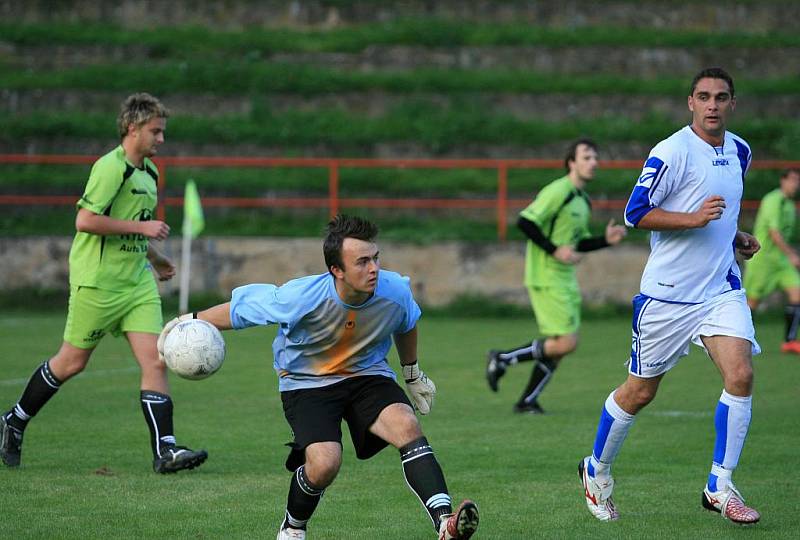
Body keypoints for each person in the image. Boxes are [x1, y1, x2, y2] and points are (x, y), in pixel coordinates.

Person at [158, 214, 479, 540]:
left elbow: (407, 321)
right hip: (306, 382)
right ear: (336, 270)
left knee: (407, 425)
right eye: (362, 262)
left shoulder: (393, 291)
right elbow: (240, 311)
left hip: (367, 374)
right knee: (325, 463)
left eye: (376, 258)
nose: (374, 269)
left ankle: (445, 523)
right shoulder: (301, 297)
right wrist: (186, 321)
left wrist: (412, 374)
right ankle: (293, 527)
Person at [578, 67, 762, 525]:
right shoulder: (671, 151)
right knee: (640, 392)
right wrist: (695, 220)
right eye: (704, 97)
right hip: (667, 297)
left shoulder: (740, 151)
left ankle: (720, 485)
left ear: (732, 103)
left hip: (720, 289)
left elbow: (718, 210)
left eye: (721, 97)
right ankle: (596, 470)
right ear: (691, 103)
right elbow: (635, 212)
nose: (713, 105)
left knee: (740, 374)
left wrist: (734, 236)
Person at [0, 93, 207, 473]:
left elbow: (131, 226)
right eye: (155, 131)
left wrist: (154, 257)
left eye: (163, 132)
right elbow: (86, 220)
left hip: (136, 284)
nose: (161, 139)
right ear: (133, 128)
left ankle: (166, 451)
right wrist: (142, 227)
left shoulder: (150, 173)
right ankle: (13, 420)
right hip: (98, 283)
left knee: (156, 360)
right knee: (71, 363)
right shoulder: (111, 168)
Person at [485, 139, 627, 413]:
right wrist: (553, 250)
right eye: (586, 157)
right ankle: (502, 358)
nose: (593, 162)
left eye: (595, 158)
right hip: (546, 275)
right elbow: (525, 221)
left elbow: (577, 244)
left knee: (558, 347)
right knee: (566, 342)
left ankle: (527, 401)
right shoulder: (559, 190)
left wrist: (605, 241)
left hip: (564, 277)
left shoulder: (583, 201)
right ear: (571, 163)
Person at [744, 168, 800, 353]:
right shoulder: (772, 200)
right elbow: (774, 233)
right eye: (792, 180)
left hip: (781, 260)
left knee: (796, 292)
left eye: (797, 181)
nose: (795, 184)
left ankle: (789, 341)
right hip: (764, 259)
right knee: (752, 301)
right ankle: (741, 339)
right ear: (782, 181)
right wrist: (792, 255)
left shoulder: (790, 205)